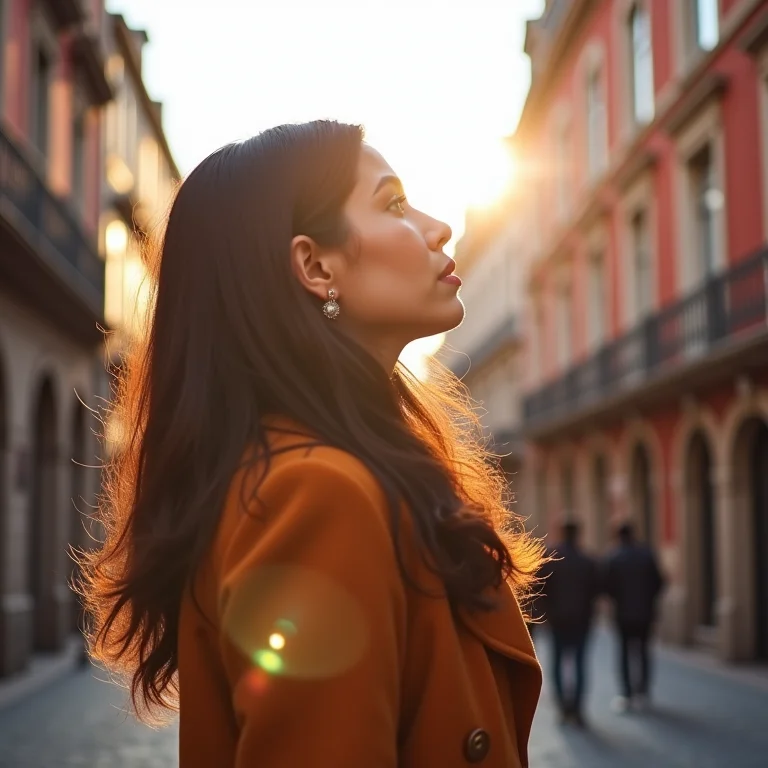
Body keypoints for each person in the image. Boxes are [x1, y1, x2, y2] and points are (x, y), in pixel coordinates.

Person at [79, 121, 546, 768]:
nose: (438, 228)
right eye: (393, 204)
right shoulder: (316, 494)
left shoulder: (312, 473)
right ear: (315, 266)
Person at [539, 521, 599, 727]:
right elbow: (596, 590)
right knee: (580, 663)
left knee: (557, 662)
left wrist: (546, 613)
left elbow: (541, 589)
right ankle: (577, 708)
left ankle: (563, 707)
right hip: (582, 620)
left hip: (557, 620)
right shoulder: (587, 560)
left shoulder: (550, 559)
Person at [603, 522, 665, 713]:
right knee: (643, 652)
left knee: (623, 653)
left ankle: (627, 693)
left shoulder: (614, 557)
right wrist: (648, 599)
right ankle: (643, 692)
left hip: (622, 614)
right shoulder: (646, 555)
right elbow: (659, 582)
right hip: (645, 613)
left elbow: (607, 586)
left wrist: (618, 599)